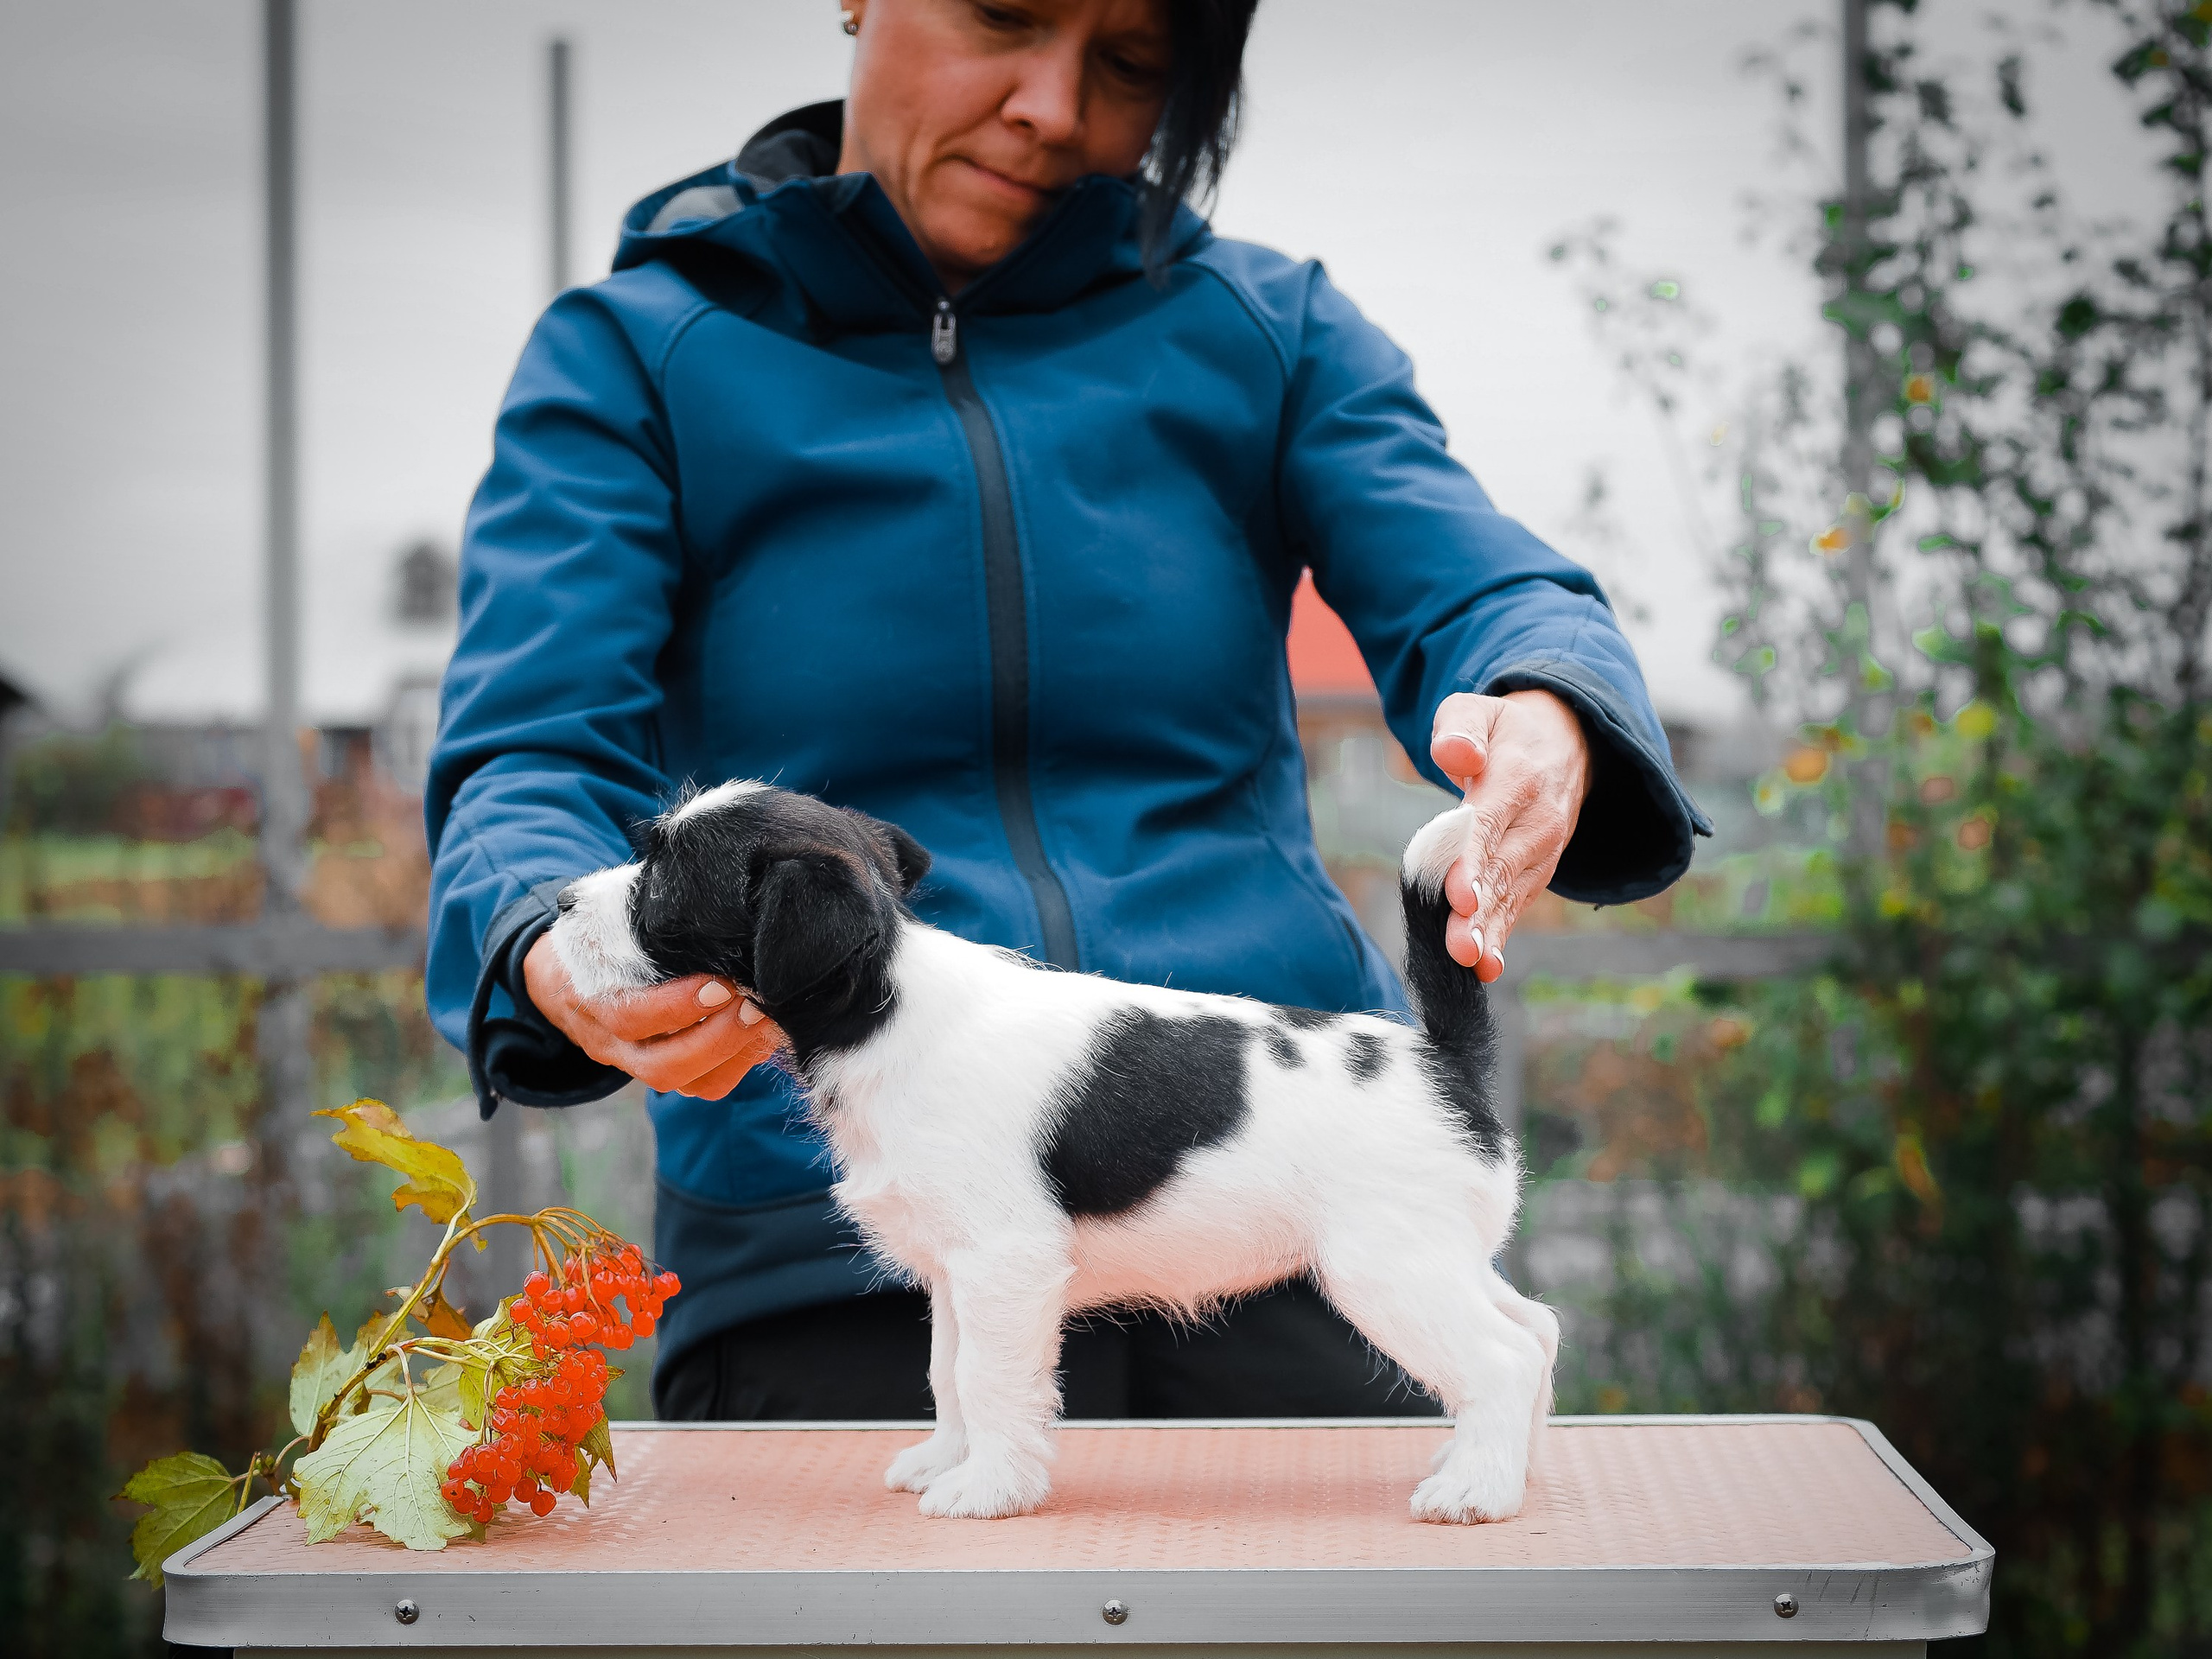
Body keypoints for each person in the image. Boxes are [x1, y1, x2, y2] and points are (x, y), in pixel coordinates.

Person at [425, 0, 1708, 1422]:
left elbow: (1482, 584)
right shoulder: (633, 355)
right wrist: (543, 934)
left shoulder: (1268, 330)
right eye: (1006, 13)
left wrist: (1544, 692)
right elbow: (530, 748)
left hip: (1271, 1194)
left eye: (1134, 65)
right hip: (825, 1260)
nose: (1053, 104)